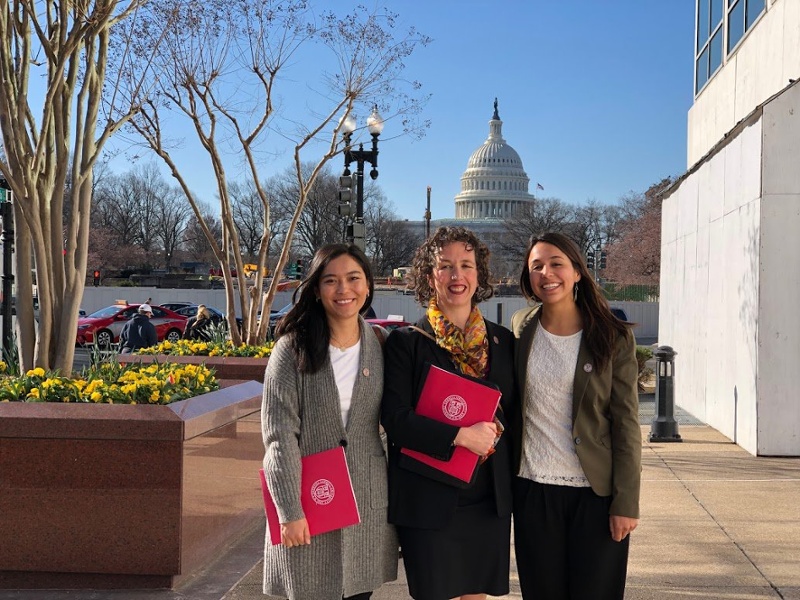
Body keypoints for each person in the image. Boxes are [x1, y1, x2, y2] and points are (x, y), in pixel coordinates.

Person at [381, 226, 516, 600]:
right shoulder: (406, 343)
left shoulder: (503, 342)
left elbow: (515, 412)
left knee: (475, 596)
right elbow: (395, 419)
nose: (457, 276)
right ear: (430, 276)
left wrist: (493, 432)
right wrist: (459, 436)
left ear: (479, 275)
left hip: (487, 498)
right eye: (446, 266)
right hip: (427, 497)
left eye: (466, 266)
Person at [261, 243, 398, 600]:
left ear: (368, 286)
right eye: (331, 281)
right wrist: (289, 510)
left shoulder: (381, 344)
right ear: (317, 290)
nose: (344, 290)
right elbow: (279, 437)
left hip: (366, 506)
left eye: (353, 279)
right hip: (308, 504)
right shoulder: (291, 350)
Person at [510, 232, 641, 600]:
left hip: (595, 495)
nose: (546, 273)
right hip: (534, 490)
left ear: (577, 272)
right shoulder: (522, 328)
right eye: (536, 266)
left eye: (556, 264)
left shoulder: (611, 335)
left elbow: (626, 423)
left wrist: (626, 501)